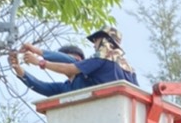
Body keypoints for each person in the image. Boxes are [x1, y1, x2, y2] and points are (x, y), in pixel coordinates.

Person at [9, 24, 138, 97]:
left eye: (96, 41)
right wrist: (18, 69)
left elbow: (69, 65)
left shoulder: (99, 62)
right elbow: (42, 86)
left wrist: (39, 58)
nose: (94, 45)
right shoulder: (127, 67)